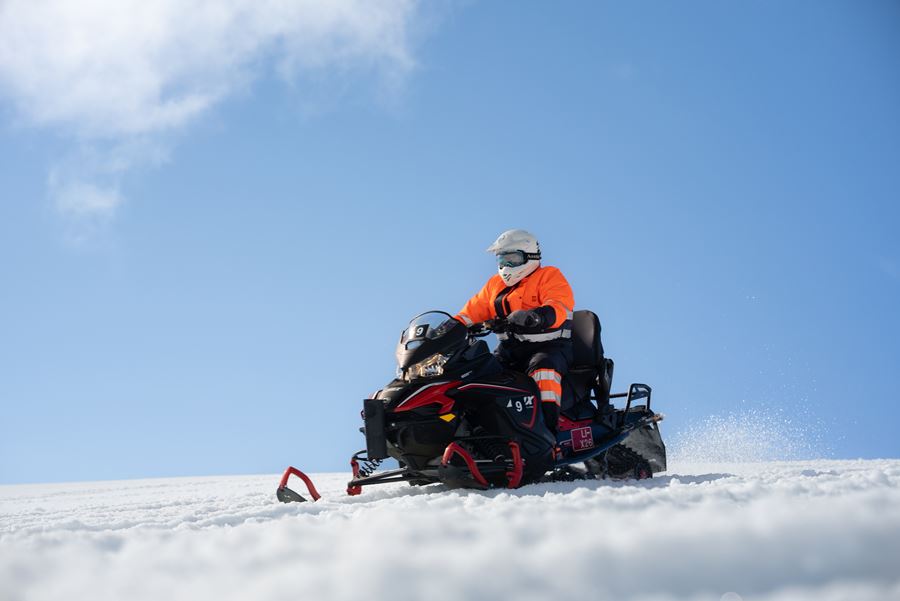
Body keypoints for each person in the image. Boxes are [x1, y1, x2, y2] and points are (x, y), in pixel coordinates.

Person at [455, 229, 574, 431]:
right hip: (509, 350)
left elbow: (560, 305)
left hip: (549, 347)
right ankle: (473, 431)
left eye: (512, 259)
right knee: (477, 372)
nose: (506, 266)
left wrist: (538, 316)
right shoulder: (495, 285)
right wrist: (450, 328)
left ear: (530, 256)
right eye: (502, 259)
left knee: (543, 369)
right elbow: (472, 311)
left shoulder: (548, 276)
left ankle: (548, 433)